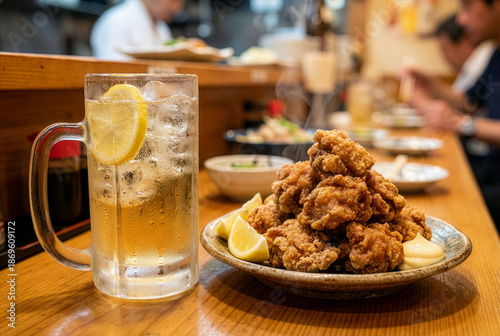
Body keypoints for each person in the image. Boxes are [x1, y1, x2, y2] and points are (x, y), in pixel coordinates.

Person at [407, 0, 500, 230]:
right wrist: (428, 82)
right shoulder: (496, 53)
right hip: (488, 170)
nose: (461, 19)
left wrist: (464, 125)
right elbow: (467, 102)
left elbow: (465, 117)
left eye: (468, 6)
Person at [90, 0, 186, 60]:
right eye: (173, 0)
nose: (177, 8)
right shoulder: (118, 20)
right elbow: (112, 73)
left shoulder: (162, 28)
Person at [435, 14, 495, 93]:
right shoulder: (467, 69)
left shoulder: (483, 61)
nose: (444, 57)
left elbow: (465, 101)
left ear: (464, 43)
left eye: (445, 50)